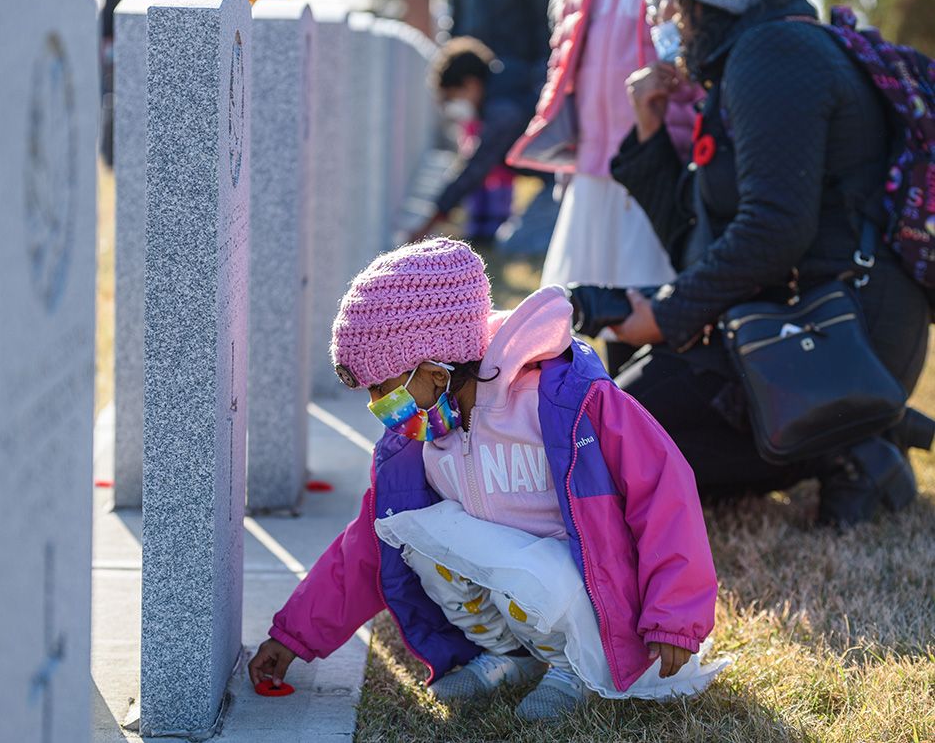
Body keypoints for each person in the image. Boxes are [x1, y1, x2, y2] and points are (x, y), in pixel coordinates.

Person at [248, 239, 727, 721]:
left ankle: (573, 669)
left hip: (587, 594)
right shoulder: (420, 442)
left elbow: (665, 492)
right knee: (412, 532)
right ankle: (510, 655)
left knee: (528, 571)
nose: (376, 405)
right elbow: (364, 546)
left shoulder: (568, 403)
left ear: (434, 372)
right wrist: (293, 636)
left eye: (382, 387)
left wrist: (673, 616)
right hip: (516, 596)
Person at [606, 0, 932, 524]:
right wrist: (650, 128)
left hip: (839, 333)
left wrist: (665, 316)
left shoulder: (774, 52)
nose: (660, 17)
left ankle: (849, 443)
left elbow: (775, 228)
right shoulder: (755, 53)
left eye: (668, 2)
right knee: (616, 377)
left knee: (612, 438)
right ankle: (866, 428)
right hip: (804, 320)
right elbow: (698, 240)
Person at [508, 0, 701, 372]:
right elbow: (566, 63)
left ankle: (659, 406)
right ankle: (625, 406)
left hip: (658, 159)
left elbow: (696, 58)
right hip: (594, 167)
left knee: (656, 294)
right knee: (608, 304)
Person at [408, 39, 557, 248]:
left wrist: (430, 222)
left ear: (471, 84)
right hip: (559, 179)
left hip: (562, 182)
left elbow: (475, 168)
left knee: (517, 245)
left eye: (452, 97)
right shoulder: (510, 87)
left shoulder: (503, 111)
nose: (453, 108)